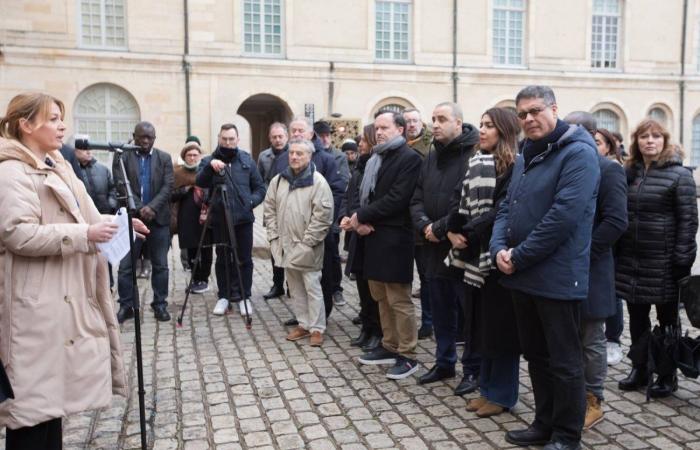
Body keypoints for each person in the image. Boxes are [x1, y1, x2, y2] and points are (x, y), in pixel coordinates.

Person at [0, 92, 149, 449]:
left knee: (52, 407)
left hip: (64, 301)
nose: (61, 125)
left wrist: (120, 225)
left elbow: (88, 216)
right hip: (34, 306)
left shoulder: (58, 165)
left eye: (60, 117)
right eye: (52, 118)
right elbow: (17, 233)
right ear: (26, 125)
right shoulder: (10, 171)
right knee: (31, 411)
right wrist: (85, 235)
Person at [490, 85, 600, 450]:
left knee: (564, 360)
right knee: (535, 354)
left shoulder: (578, 154)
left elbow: (562, 218)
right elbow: (507, 206)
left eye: (535, 111)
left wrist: (517, 256)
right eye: (522, 115)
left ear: (554, 109)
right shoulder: (526, 153)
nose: (528, 119)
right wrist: (498, 249)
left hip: (556, 276)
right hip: (522, 274)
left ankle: (567, 436)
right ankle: (544, 423)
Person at [616, 119, 698, 398]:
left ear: (664, 140)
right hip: (631, 259)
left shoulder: (679, 175)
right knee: (636, 317)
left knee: (667, 320)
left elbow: (689, 222)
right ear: (636, 141)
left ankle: (666, 373)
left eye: (655, 136)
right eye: (643, 136)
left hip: (664, 261)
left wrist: (682, 260)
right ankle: (640, 368)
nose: (649, 141)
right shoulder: (629, 172)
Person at [446, 107, 520, 417]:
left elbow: (503, 210)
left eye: (490, 126)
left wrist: (469, 231)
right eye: (482, 124)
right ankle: (487, 388)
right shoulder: (476, 162)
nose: (483, 130)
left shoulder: (514, 166)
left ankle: (502, 394)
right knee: (482, 329)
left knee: (501, 331)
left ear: (504, 131)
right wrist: (452, 229)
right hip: (475, 256)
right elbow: (460, 201)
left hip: (496, 256)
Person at [409, 102, 481, 394]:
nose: (434, 124)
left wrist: (446, 230)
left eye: (442, 119)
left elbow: (471, 203)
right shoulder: (431, 155)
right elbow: (416, 198)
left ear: (459, 123)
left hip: (463, 247)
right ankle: (444, 362)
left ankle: (473, 370)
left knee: (469, 314)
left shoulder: (475, 155)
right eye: (433, 119)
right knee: (440, 310)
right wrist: (427, 226)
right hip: (434, 246)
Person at [564, 111, 628, 430]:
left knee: (591, 337)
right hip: (562, 268)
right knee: (568, 336)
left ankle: (594, 399)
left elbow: (616, 221)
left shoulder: (609, 170)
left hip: (592, 266)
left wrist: (583, 253)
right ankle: (572, 395)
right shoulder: (567, 166)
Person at [352, 111, 422, 380]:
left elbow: (397, 198)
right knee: (380, 295)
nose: (379, 132)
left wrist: (362, 216)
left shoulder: (409, 159)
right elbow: (363, 193)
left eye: (385, 127)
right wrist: (359, 219)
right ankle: (389, 345)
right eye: (377, 127)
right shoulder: (375, 157)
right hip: (373, 236)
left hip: (395, 238)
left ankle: (408, 354)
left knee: (398, 299)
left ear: (400, 130)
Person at [271, 117, 346, 324]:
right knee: (295, 278)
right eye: (293, 130)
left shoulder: (326, 160)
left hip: (319, 232)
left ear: (311, 134)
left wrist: (326, 223)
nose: (296, 134)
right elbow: (274, 193)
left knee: (321, 277)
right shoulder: (282, 159)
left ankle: (322, 317)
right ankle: (302, 316)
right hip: (290, 231)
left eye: (300, 130)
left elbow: (337, 192)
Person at [264, 138, 334, 347]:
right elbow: (270, 209)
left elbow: (322, 218)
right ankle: (303, 324)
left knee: (312, 287)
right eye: (292, 153)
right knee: (294, 288)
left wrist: (306, 244)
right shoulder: (279, 180)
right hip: (285, 245)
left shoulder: (318, 182)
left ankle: (317, 328)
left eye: (299, 153)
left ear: (309, 156)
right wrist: (274, 237)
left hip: (308, 247)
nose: (294, 157)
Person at [196, 123, 266, 316]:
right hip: (220, 219)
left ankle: (244, 296)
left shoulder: (247, 160)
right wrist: (210, 168)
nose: (228, 142)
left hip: (243, 219)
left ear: (237, 140)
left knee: (244, 259)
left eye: (231, 139)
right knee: (222, 259)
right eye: (224, 139)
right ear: (219, 138)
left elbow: (260, 187)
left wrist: (251, 202)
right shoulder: (209, 160)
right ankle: (224, 296)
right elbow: (200, 182)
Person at [114, 121, 174, 323]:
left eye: (150, 137)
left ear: (154, 139)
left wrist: (152, 208)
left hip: (158, 220)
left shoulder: (164, 158)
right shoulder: (122, 157)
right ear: (134, 136)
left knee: (161, 265)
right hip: (131, 220)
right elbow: (121, 184)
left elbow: (168, 186)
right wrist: (140, 208)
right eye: (142, 137)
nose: (145, 141)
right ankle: (126, 306)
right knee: (125, 267)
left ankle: (160, 305)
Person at [341, 124, 382, 352]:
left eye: (363, 141)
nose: (360, 145)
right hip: (356, 232)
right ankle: (366, 327)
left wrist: (360, 219)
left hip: (369, 232)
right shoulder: (359, 167)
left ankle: (376, 330)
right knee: (361, 286)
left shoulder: (376, 166)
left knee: (372, 287)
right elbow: (350, 197)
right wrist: (346, 217)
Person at [404, 107, 434, 338]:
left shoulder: (431, 145)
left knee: (427, 275)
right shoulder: (401, 145)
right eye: (408, 121)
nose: (412, 124)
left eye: (415, 120)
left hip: (423, 218)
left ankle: (429, 320)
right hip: (403, 220)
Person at [314, 120, 350, 307]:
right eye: (321, 136)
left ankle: (336, 289)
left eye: (328, 135)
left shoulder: (338, 156)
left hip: (332, 212)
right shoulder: (311, 154)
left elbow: (343, 182)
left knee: (333, 254)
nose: (325, 139)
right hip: (313, 213)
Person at [172, 141, 212, 294]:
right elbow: (171, 195)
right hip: (186, 216)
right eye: (189, 155)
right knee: (191, 249)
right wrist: (185, 190)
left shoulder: (206, 171)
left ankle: (204, 279)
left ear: (200, 156)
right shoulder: (178, 173)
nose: (193, 158)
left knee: (206, 247)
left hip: (204, 215)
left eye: (195, 155)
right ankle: (196, 279)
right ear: (185, 157)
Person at [258, 122, 289, 300]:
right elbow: (260, 180)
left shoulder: (294, 153)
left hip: (292, 207)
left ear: (286, 137)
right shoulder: (264, 156)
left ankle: (292, 285)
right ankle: (277, 285)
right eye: (274, 137)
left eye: (280, 136)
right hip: (272, 208)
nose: (278, 140)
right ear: (270, 138)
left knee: (292, 247)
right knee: (275, 247)